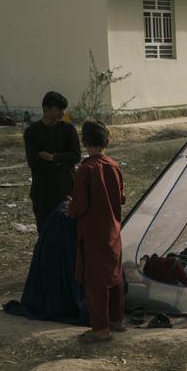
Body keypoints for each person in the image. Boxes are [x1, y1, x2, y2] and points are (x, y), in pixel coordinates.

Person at [64, 121, 126, 344]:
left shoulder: (86, 169)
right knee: (115, 275)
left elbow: (79, 206)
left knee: (95, 280)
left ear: (84, 142)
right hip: (113, 230)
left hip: (92, 232)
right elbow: (121, 198)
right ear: (107, 141)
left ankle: (100, 328)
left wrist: (69, 208)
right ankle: (117, 320)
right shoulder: (114, 166)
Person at [24, 91, 81, 231]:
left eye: (63, 110)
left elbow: (75, 156)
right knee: (46, 233)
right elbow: (34, 162)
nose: (61, 113)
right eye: (58, 109)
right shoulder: (32, 132)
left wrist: (53, 158)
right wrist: (62, 160)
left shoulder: (68, 130)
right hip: (43, 193)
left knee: (69, 233)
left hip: (66, 190)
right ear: (46, 109)